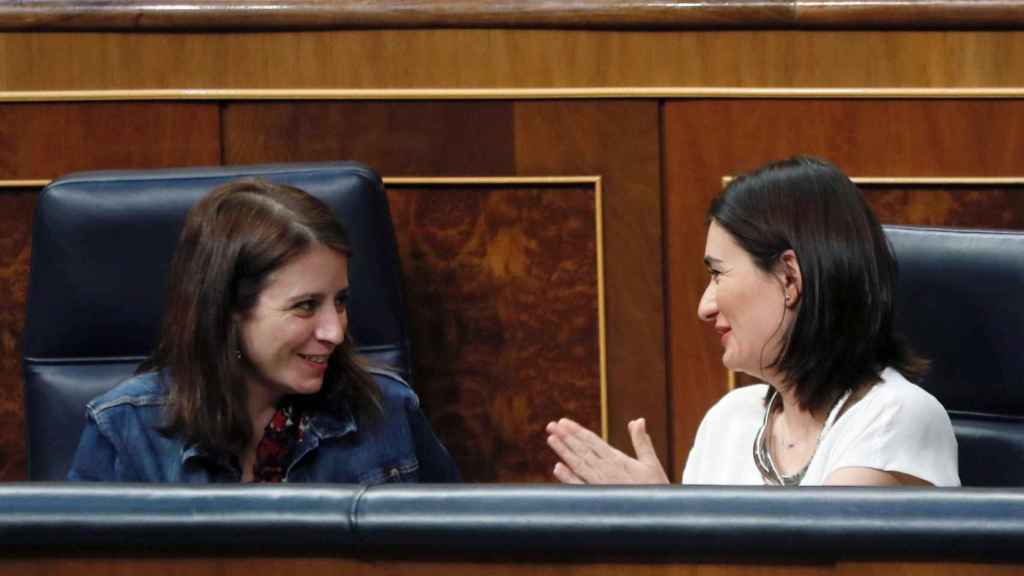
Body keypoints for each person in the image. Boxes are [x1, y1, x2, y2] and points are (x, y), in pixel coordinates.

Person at [546, 156, 959, 487]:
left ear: (789, 278)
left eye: (718, 274)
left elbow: (815, 566)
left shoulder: (896, 416)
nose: (704, 307)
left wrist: (664, 526)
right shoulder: (729, 420)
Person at [68, 179, 460, 483]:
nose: (335, 332)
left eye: (340, 301)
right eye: (306, 306)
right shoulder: (123, 430)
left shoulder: (387, 409)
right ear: (228, 310)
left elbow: (456, 555)